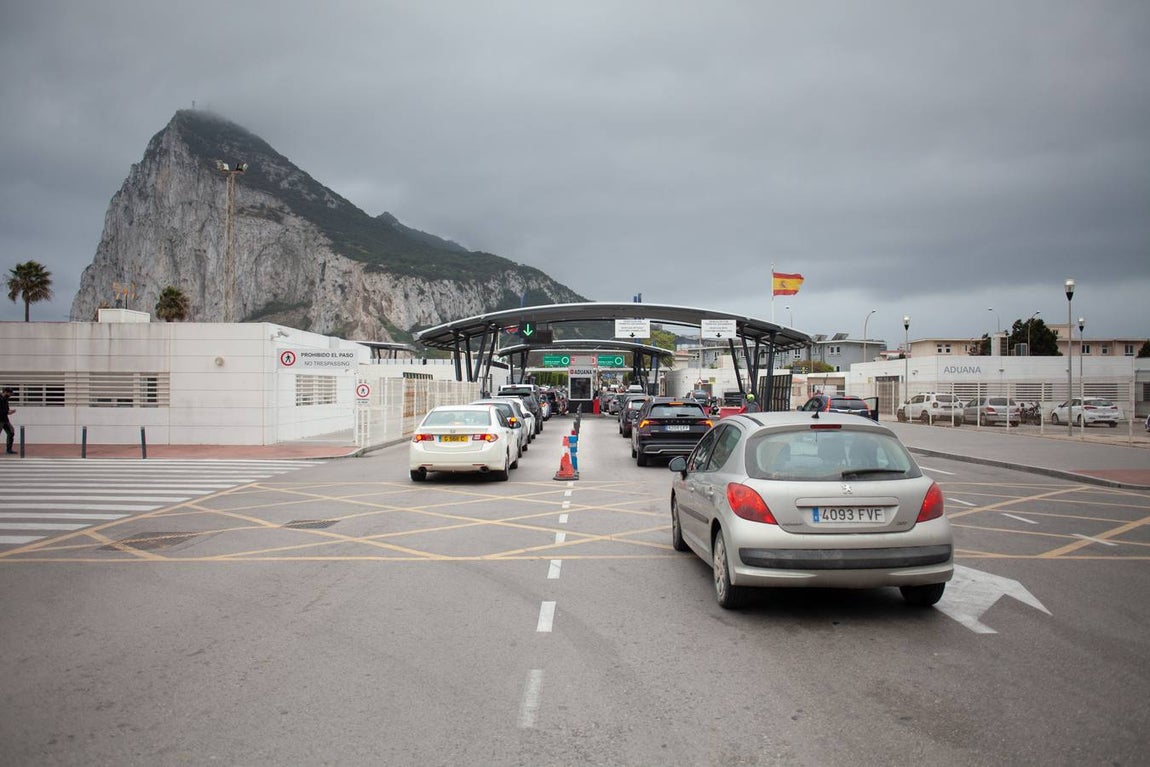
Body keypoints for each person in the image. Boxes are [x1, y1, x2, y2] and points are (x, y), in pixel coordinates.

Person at [0, 387, 15, 454]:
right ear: (5, 392)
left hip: (5, 419)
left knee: (11, 432)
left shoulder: (5, 399)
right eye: (9, 393)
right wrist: (7, 412)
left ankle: (9, 449)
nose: (10, 395)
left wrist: (9, 411)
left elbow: (5, 409)